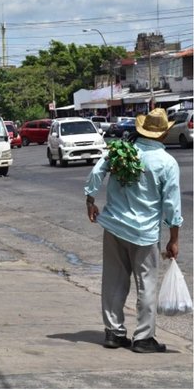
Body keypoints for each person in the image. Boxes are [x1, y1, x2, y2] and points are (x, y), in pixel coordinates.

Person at [84, 108, 182, 353]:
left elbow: (97, 171)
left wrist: (90, 199)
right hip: (144, 233)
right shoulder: (167, 163)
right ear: (162, 134)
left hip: (115, 226)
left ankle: (114, 333)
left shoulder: (121, 151)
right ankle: (143, 338)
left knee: (113, 281)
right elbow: (171, 205)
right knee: (146, 284)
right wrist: (173, 239)